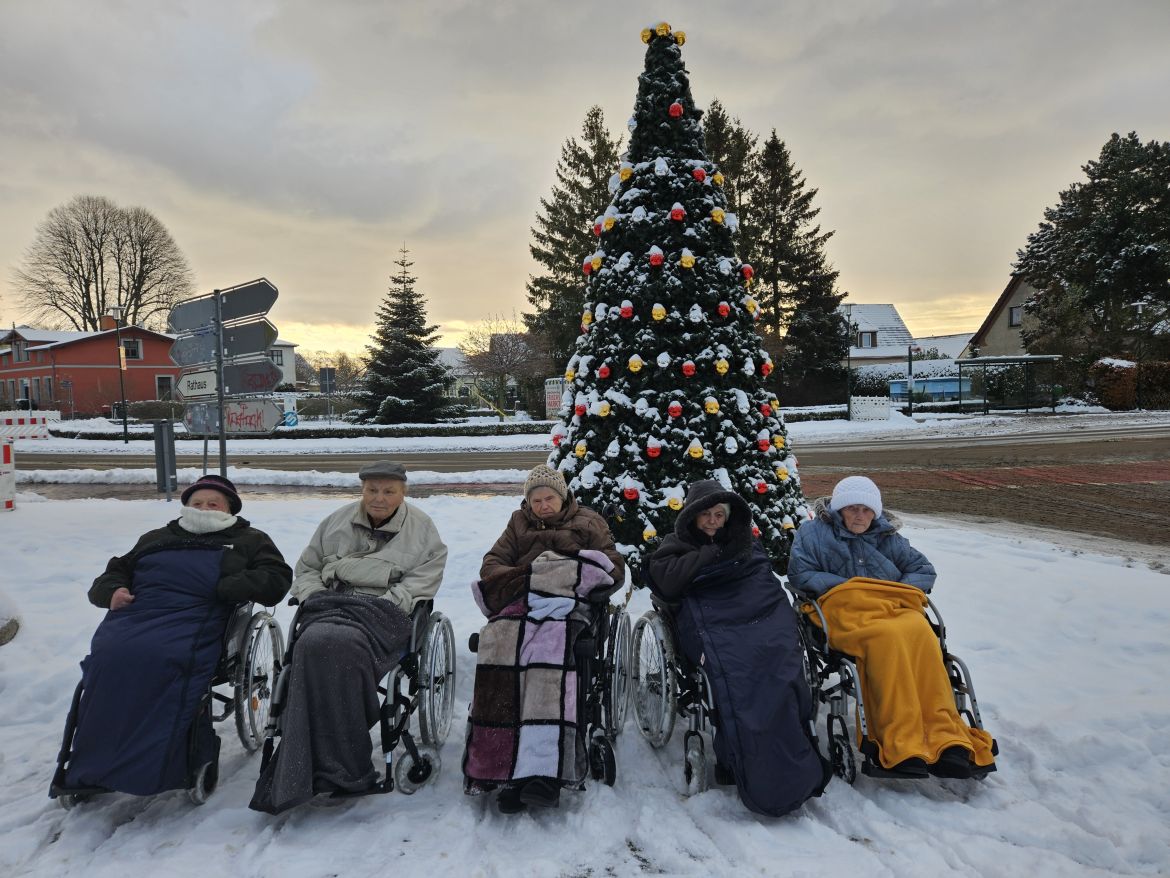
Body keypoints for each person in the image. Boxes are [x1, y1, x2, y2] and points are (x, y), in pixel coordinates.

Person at [59, 474, 292, 797]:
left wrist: (227, 588)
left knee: (165, 660)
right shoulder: (156, 537)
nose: (205, 508)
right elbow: (115, 571)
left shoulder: (249, 539)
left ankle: (165, 764)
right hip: (141, 615)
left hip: (199, 618)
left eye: (214, 503)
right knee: (107, 659)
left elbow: (276, 579)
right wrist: (113, 590)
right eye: (198, 503)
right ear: (186, 506)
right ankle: (91, 764)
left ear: (230, 508)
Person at [250, 460, 447, 813]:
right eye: (372, 490)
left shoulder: (422, 529)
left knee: (341, 647)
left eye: (388, 491)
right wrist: (313, 596)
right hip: (330, 606)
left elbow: (423, 579)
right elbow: (307, 569)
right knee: (311, 645)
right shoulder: (336, 522)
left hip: (383, 613)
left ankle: (342, 764)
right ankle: (317, 760)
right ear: (362, 490)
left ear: (403, 492)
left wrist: (390, 600)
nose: (379, 498)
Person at [787, 475, 997, 779]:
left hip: (893, 609)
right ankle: (900, 741)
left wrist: (891, 590)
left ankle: (946, 736)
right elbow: (801, 573)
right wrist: (853, 587)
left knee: (922, 633)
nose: (860, 516)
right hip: (843, 611)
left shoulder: (888, 538)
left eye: (866, 510)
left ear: (876, 512)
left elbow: (924, 571)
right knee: (886, 639)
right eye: (852, 509)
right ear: (838, 510)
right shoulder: (812, 534)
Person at [645, 479, 829, 817]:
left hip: (759, 619)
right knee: (738, 670)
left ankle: (783, 753)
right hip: (712, 621)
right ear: (692, 517)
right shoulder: (676, 544)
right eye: (706, 515)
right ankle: (740, 755)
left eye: (719, 514)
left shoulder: (744, 545)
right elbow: (667, 580)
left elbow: (764, 584)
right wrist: (709, 556)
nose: (714, 521)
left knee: (777, 662)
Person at [463, 464, 624, 814]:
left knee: (547, 654)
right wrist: (531, 574)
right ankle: (502, 766)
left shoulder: (588, 521)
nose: (542, 505)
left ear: (562, 495)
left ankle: (543, 773)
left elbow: (612, 567)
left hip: (567, 606)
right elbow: (491, 564)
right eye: (535, 500)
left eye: (548, 498)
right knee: (499, 641)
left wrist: (560, 570)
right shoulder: (517, 523)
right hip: (522, 601)